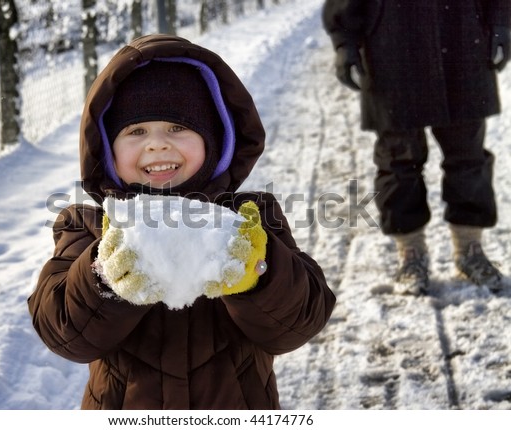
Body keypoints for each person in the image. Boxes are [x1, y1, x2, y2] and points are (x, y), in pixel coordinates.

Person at [28, 34, 336, 409]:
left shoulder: (249, 219)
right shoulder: (89, 225)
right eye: (136, 132)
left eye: (178, 128)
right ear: (107, 151)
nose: (157, 144)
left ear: (214, 142)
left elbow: (299, 323)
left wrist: (259, 273)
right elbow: (64, 335)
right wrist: (102, 280)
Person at [322, 1, 510, 295]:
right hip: (390, 42)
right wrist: (344, 40)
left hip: (463, 36)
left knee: (468, 156)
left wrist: (501, 20)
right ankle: (410, 253)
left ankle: (470, 248)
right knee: (399, 159)